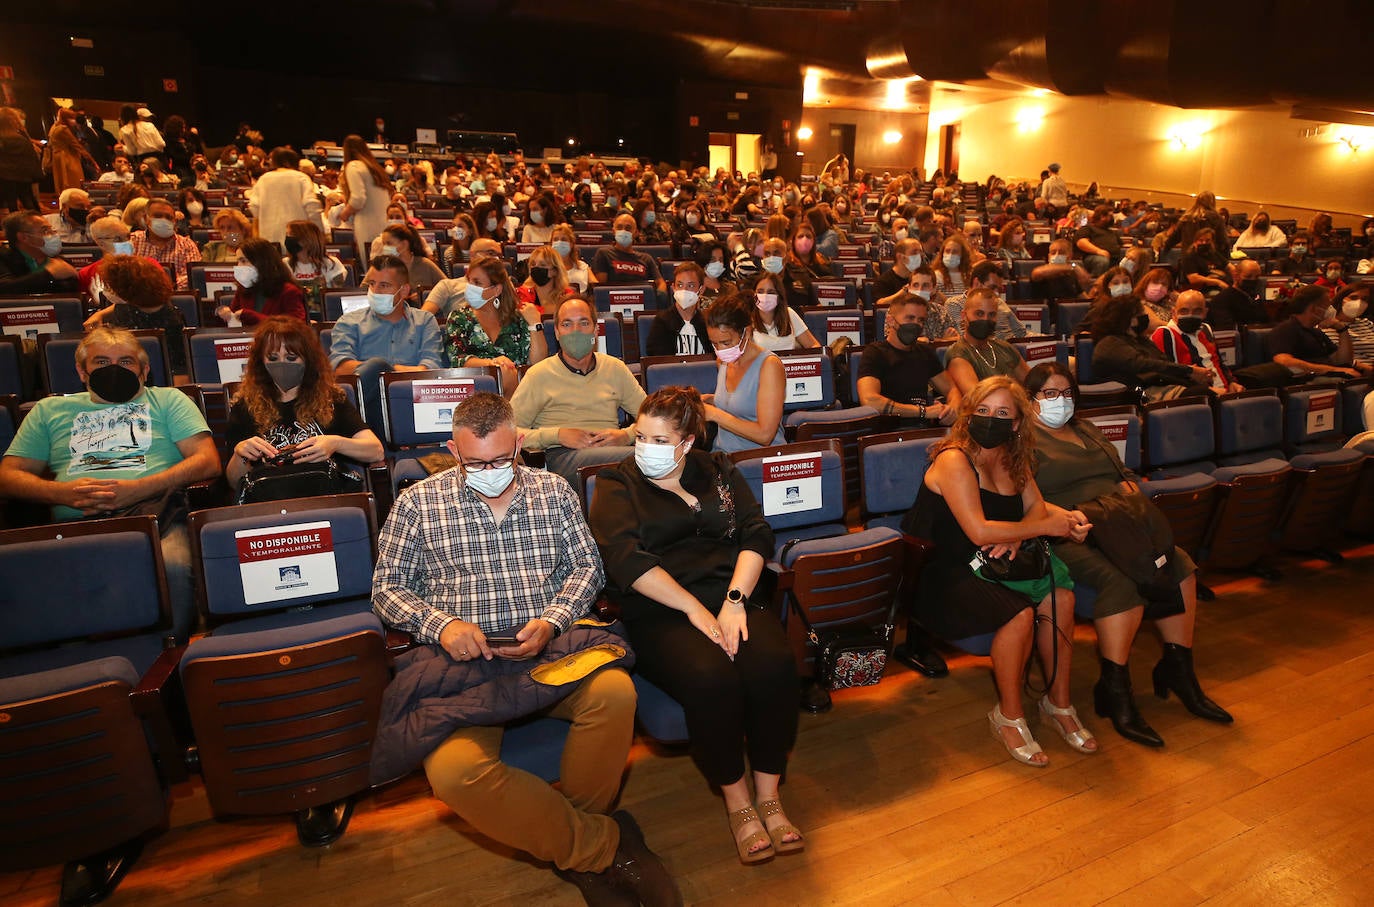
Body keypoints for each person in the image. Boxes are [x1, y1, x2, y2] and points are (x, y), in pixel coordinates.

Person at [371, 391, 681, 907]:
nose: (490, 471)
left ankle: (570, 839)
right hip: (464, 663)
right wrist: (442, 626)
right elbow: (386, 589)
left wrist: (553, 620)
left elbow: (587, 568)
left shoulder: (552, 490)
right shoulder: (417, 504)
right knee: (454, 774)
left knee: (614, 694)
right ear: (453, 450)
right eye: (475, 463)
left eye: (501, 459)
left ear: (519, 444)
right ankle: (598, 849)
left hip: (549, 650)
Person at [590, 387, 803, 863]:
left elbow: (756, 533)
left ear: (687, 442)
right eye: (640, 436)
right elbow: (625, 560)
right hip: (661, 607)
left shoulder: (718, 468)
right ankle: (739, 802)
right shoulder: (616, 482)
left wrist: (735, 601)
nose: (645, 448)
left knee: (773, 666)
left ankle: (769, 795)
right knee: (712, 679)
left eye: (659, 440)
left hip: (732, 596)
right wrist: (692, 608)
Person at [1026, 362, 1232, 746]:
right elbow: (1027, 500)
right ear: (1031, 400)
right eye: (1050, 394)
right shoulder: (1023, 440)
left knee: (1178, 564)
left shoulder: (1087, 429)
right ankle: (1115, 688)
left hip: (1118, 522)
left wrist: (1133, 498)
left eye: (1067, 393)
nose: (1060, 401)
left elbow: (1123, 474)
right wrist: (1066, 518)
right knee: (1119, 581)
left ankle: (1179, 671)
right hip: (1067, 530)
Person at [901, 376, 1095, 766]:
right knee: (1019, 615)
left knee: (1062, 598)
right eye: (983, 410)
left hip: (995, 562)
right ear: (968, 414)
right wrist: (1040, 528)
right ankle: (1009, 715)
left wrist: (1045, 527)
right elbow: (979, 531)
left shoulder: (1012, 456)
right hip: (944, 571)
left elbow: (1035, 508)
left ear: (1017, 423)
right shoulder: (954, 459)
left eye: (1003, 413)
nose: (992, 419)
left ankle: (1058, 703)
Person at [0, 326, 219, 641]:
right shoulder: (49, 410)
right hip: (75, 523)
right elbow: (7, 477)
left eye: (126, 362)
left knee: (171, 565)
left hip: (153, 516)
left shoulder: (168, 400)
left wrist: (139, 489)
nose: (114, 369)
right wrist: (61, 493)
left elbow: (207, 461)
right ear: (82, 371)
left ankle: (167, 654)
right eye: (101, 362)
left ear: (144, 370)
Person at [225, 316, 382, 493]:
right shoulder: (245, 406)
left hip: (323, 497)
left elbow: (375, 451)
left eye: (291, 358)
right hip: (271, 498)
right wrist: (240, 455)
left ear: (308, 359)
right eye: (273, 358)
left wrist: (335, 443)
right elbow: (233, 482)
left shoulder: (329, 399)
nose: (282, 365)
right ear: (260, 361)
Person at [511, 296, 645, 485]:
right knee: (646, 460)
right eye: (567, 324)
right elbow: (508, 433)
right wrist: (557, 435)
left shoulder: (615, 368)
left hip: (612, 449)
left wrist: (627, 435)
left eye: (584, 323)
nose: (576, 331)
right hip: (565, 456)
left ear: (596, 330)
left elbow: (654, 418)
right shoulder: (538, 374)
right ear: (557, 332)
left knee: (658, 457)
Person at [329, 254, 444, 436]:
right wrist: (386, 372)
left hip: (411, 401)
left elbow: (430, 369)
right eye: (371, 284)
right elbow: (341, 368)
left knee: (378, 366)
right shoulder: (349, 321)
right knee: (376, 368)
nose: (375, 291)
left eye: (384, 285)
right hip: (363, 409)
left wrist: (385, 372)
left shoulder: (424, 321)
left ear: (404, 290)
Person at [441, 255, 546, 394]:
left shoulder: (517, 319)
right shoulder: (459, 317)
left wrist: (535, 323)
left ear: (496, 290)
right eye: (469, 281)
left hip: (521, 390)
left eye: (477, 283)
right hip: (476, 388)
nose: (470, 287)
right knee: (504, 372)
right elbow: (457, 359)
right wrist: (493, 365)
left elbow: (538, 363)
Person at [857, 290, 960, 426]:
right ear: (891, 321)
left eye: (920, 320)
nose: (916, 324)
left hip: (924, 427)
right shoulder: (875, 353)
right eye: (910, 318)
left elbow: (952, 390)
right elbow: (869, 400)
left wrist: (952, 410)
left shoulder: (925, 352)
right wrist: (922, 411)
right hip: (890, 430)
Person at [702, 294, 785, 452]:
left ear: (746, 333)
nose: (720, 350)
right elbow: (743, 400)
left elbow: (765, 435)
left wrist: (714, 414)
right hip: (722, 455)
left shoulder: (769, 365)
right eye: (714, 344)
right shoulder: (723, 360)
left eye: (726, 342)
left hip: (756, 458)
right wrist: (711, 400)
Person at [83, 254, 189, 376]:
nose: (108, 291)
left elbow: (180, 370)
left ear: (127, 291)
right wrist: (99, 314)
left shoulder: (171, 321)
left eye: (111, 288)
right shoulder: (126, 305)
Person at [1092, 295, 1213, 400]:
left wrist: (1189, 375)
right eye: (1141, 313)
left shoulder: (1141, 340)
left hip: (1159, 387)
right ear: (1131, 319)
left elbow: (1163, 362)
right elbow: (1144, 364)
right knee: (1203, 395)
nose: (1146, 317)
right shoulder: (1109, 343)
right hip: (1137, 393)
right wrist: (1189, 371)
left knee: (1206, 391)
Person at [1267, 285, 1371, 381]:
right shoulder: (1285, 330)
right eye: (1328, 305)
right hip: (1307, 382)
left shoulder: (1316, 332)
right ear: (1314, 309)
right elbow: (1284, 362)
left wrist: (1342, 329)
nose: (1331, 309)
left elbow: (1343, 361)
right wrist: (1334, 370)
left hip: (1328, 378)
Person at [1151, 290, 1246, 394]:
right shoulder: (1164, 334)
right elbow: (1165, 376)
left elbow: (1219, 362)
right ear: (1174, 313)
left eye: (1197, 311)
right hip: (1198, 396)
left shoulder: (1206, 329)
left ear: (1205, 313)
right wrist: (1207, 391)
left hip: (1226, 392)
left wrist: (1232, 382)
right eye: (1184, 311)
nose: (1190, 315)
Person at [946, 287, 1031, 395]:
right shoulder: (958, 354)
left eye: (991, 315)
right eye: (979, 314)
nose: (985, 319)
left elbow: (1034, 384)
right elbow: (977, 397)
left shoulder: (1005, 347)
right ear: (964, 316)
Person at [217, 237, 307, 327]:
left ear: (261, 262)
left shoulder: (289, 291)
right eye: (238, 261)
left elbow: (296, 326)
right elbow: (234, 316)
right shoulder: (244, 288)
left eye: (243, 261)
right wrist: (225, 313)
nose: (239, 266)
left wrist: (253, 316)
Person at [248, 147, 323, 246]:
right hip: (298, 240)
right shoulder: (302, 178)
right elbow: (312, 207)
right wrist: (319, 232)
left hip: (269, 239)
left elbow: (254, 208)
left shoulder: (263, 179)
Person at [338, 135, 393, 262]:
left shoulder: (353, 166)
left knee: (372, 265)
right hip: (385, 225)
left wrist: (345, 214)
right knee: (389, 262)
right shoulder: (375, 168)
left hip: (367, 224)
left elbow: (358, 199)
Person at [945, 260, 1028, 341]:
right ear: (977, 283)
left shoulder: (999, 301)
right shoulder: (955, 304)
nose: (997, 294)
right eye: (992, 287)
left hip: (1011, 346)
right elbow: (965, 337)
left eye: (999, 290)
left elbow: (1021, 332)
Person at [0, 210, 80, 293]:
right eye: (45, 231)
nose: (53, 235)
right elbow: (4, 289)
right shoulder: (4, 258)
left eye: (52, 230)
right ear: (24, 237)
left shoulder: (61, 262)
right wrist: (49, 274)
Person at [130, 197, 200, 290]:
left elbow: (191, 277)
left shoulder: (187, 245)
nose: (163, 220)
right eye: (158, 216)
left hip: (174, 295)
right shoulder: (132, 240)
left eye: (168, 217)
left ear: (175, 221)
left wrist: (161, 287)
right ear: (146, 219)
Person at [646, 261, 711, 357]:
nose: (684, 290)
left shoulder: (707, 323)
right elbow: (657, 359)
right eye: (680, 285)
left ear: (701, 289)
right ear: (673, 288)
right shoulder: (662, 322)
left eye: (690, 285)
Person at [284, 219, 346, 317]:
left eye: (291, 235)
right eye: (287, 235)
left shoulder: (331, 264)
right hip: (296, 316)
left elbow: (337, 298)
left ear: (306, 239)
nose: (288, 239)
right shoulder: (285, 264)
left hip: (324, 315)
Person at [592, 213, 666, 294]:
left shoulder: (646, 258)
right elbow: (601, 290)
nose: (623, 231)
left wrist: (660, 295)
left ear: (636, 233)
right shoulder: (604, 254)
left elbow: (661, 283)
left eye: (628, 228)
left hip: (641, 298)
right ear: (613, 231)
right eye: (619, 227)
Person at [748, 271, 819, 352]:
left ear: (779, 296)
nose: (765, 296)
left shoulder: (789, 314)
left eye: (771, 292)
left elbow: (814, 345)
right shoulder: (748, 317)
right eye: (760, 292)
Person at [378, 221, 447, 289]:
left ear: (404, 244)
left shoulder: (425, 264)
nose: (385, 247)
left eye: (389, 243)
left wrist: (425, 293)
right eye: (384, 244)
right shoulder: (384, 267)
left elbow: (448, 287)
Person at [1206, 257, 1269, 330]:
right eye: (1248, 276)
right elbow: (1228, 328)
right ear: (1236, 276)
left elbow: (1265, 321)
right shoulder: (1221, 300)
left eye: (1257, 277)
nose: (1253, 280)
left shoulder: (1255, 296)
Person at [80, 215, 133, 299]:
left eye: (128, 237)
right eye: (118, 239)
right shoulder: (87, 274)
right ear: (101, 243)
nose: (127, 242)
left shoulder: (148, 266)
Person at [46, 108, 96, 195]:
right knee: (73, 183)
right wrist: (93, 161)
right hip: (67, 158)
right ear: (66, 118)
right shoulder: (63, 129)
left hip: (57, 157)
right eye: (71, 118)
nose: (74, 121)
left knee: (61, 184)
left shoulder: (54, 127)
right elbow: (76, 146)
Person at [0, 106, 41, 212]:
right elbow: (32, 159)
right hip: (23, 176)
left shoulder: (2, 140)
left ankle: (13, 222)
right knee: (28, 201)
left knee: (10, 202)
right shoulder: (22, 140)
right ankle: (36, 219)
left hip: (4, 177)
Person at [1074, 205, 1123, 277]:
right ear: (1102, 217)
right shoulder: (1088, 228)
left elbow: (1121, 245)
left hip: (1115, 257)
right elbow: (1081, 243)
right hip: (1094, 257)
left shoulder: (1112, 232)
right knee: (1102, 261)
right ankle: (1097, 282)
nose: (1112, 219)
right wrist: (1099, 251)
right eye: (1110, 216)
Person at [551, 223, 594, 293]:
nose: (559, 242)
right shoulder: (545, 267)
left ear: (571, 244)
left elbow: (596, 289)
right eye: (555, 239)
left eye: (564, 239)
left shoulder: (582, 266)